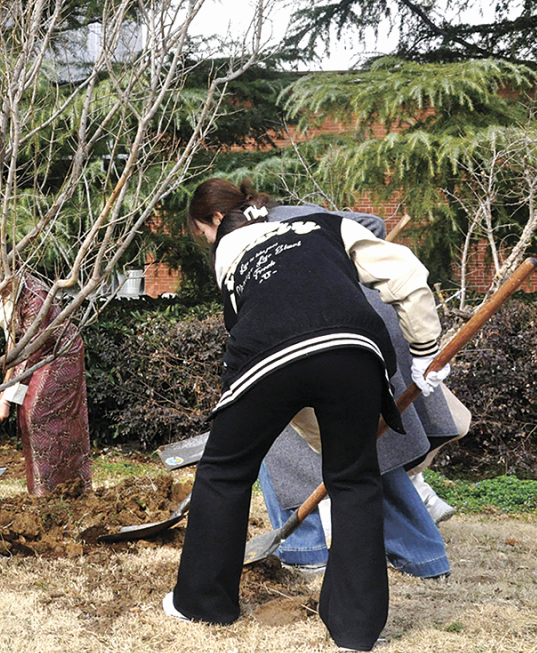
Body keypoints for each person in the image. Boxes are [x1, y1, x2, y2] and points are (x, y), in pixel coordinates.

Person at [167, 178, 446, 653]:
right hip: (355, 352)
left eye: (203, 233)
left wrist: (314, 431)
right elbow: (404, 273)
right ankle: (355, 630)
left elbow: (288, 358)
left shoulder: (230, 250)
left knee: (224, 472)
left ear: (216, 221)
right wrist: (425, 350)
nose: (207, 242)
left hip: (267, 356)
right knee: (354, 480)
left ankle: (204, 603)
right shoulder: (326, 224)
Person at [250, 200, 460, 579]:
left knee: (283, 440)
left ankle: (304, 549)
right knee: (374, 447)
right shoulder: (298, 214)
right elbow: (371, 223)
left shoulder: (246, 236)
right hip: (370, 322)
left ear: (218, 216)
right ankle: (422, 555)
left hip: (329, 336)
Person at [0, 274, 91, 496]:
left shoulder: (36, 296)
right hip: (35, 352)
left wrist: (7, 399)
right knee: (27, 412)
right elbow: (15, 345)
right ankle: (42, 489)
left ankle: (63, 487)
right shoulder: (2, 295)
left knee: (38, 413)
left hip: (61, 353)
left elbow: (30, 353)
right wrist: (2, 396)